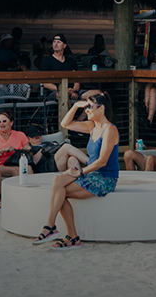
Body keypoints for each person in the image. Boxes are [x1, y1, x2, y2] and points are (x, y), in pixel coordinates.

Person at [30, 93, 120, 250]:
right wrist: (75, 106)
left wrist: (80, 172)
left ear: (102, 108)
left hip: (105, 178)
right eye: (86, 107)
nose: (87, 111)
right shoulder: (92, 126)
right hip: (91, 174)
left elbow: (102, 161)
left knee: (60, 191)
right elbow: (65, 124)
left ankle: (65, 233)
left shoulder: (110, 130)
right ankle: (53, 227)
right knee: (58, 182)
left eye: (90, 107)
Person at [35, 34, 83, 99]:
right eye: (54, 42)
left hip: (72, 91)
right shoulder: (46, 60)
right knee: (62, 95)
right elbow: (45, 83)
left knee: (96, 92)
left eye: (58, 42)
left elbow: (77, 80)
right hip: (55, 92)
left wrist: (74, 91)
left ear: (64, 45)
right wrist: (63, 90)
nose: (56, 44)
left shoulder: (71, 61)